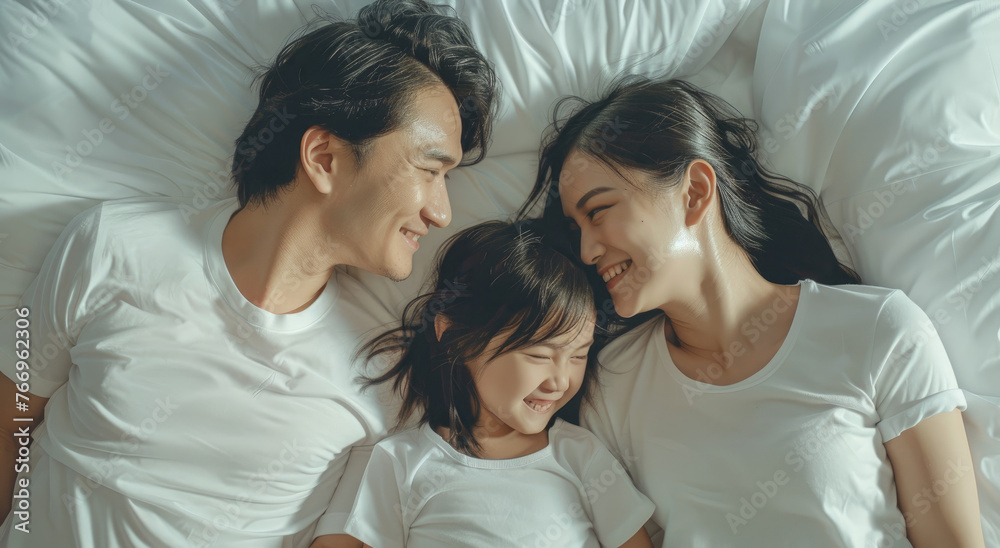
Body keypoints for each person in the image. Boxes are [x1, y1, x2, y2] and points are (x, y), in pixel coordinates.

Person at [0, 1, 498, 546]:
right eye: (430, 170)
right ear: (325, 157)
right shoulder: (111, 246)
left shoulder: (385, 371)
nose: (442, 212)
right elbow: (9, 423)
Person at [518, 77, 985, 547]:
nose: (585, 250)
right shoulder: (612, 387)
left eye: (597, 212)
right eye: (575, 227)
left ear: (695, 192)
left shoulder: (878, 329)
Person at [342, 220, 655, 547]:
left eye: (578, 356)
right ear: (453, 337)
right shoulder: (401, 462)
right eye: (539, 355)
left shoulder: (581, 457)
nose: (561, 380)